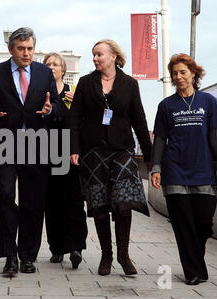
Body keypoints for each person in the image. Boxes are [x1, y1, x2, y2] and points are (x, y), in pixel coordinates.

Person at [0, 27, 59, 275]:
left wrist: (50, 110)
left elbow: (54, 103)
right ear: (11, 49)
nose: (26, 53)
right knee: (5, 197)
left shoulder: (45, 73)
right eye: (21, 49)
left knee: (33, 204)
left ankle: (28, 256)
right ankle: (9, 255)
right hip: (5, 144)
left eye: (30, 49)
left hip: (36, 144)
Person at [69, 39, 152, 276]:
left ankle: (124, 255)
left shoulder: (129, 84)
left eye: (99, 54)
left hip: (122, 150)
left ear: (114, 56)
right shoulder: (85, 83)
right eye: (93, 55)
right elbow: (74, 119)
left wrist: (149, 155)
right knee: (100, 205)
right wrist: (74, 149)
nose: (95, 58)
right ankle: (107, 255)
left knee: (124, 203)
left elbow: (140, 119)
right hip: (93, 151)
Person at [151, 53, 217, 285]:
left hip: (203, 170)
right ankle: (193, 272)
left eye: (183, 72)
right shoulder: (166, 106)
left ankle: (195, 262)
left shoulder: (208, 102)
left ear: (194, 74)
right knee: (183, 225)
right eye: (175, 73)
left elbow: (216, 135)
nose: (178, 76)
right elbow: (160, 139)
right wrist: (156, 167)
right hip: (174, 170)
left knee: (204, 224)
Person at [43, 52, 87, 268]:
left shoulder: (75, 92)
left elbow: (86, 121)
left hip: (71, 154)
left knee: (74, 200)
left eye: (56, 64)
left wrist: (79, 105)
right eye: (48, 64)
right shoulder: (41, 93)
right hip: (46, 153)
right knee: (51, 202)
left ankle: (76, 246)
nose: (52, 67)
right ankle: (57, 248)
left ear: (63, 69)